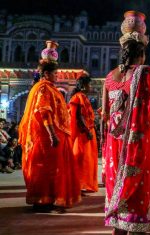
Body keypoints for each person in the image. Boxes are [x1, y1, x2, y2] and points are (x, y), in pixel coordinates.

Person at [103, 18, 150, 235]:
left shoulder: (109, 77)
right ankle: (134, 231)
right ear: (142, 54)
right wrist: (147, 125)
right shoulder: (146, 73)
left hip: (113, 140)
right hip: (137, 139)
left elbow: (105, 114)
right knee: (137, 181)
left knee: (114, 177)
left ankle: (117, 225)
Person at [18, 41, 81, 212]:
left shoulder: (51, 88)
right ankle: (42, 200)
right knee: (45, 169)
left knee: (53, 169)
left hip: (54, 135)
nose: (57, 76)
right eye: (55, 73)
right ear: (46, 73)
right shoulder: (44, 89)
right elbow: (44, 113)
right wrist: (52, 135)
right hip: (46, 137)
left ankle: (49, 198)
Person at [69, 74, 98, 193]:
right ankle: (77, 185)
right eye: (89, 84)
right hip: (83, 133)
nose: (90, 86)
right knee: (81, 160)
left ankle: (81, 185)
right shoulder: (79, 97)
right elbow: (79, 117)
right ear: (84, 85)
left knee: (86, 160)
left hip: (87, 131)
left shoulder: (83, 97)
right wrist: (86, 131)